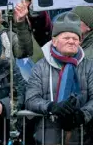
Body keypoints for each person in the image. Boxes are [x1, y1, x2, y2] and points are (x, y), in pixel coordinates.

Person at [25, 11, 93, 144]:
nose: (71, 41)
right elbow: (31, 99)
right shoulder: (41, 67)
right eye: (66, 38)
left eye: (75, 38)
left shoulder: (89, 66)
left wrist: (82, 115)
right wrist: (51, 107)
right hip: (47, 136)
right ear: (54, 41)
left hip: (83, 136)